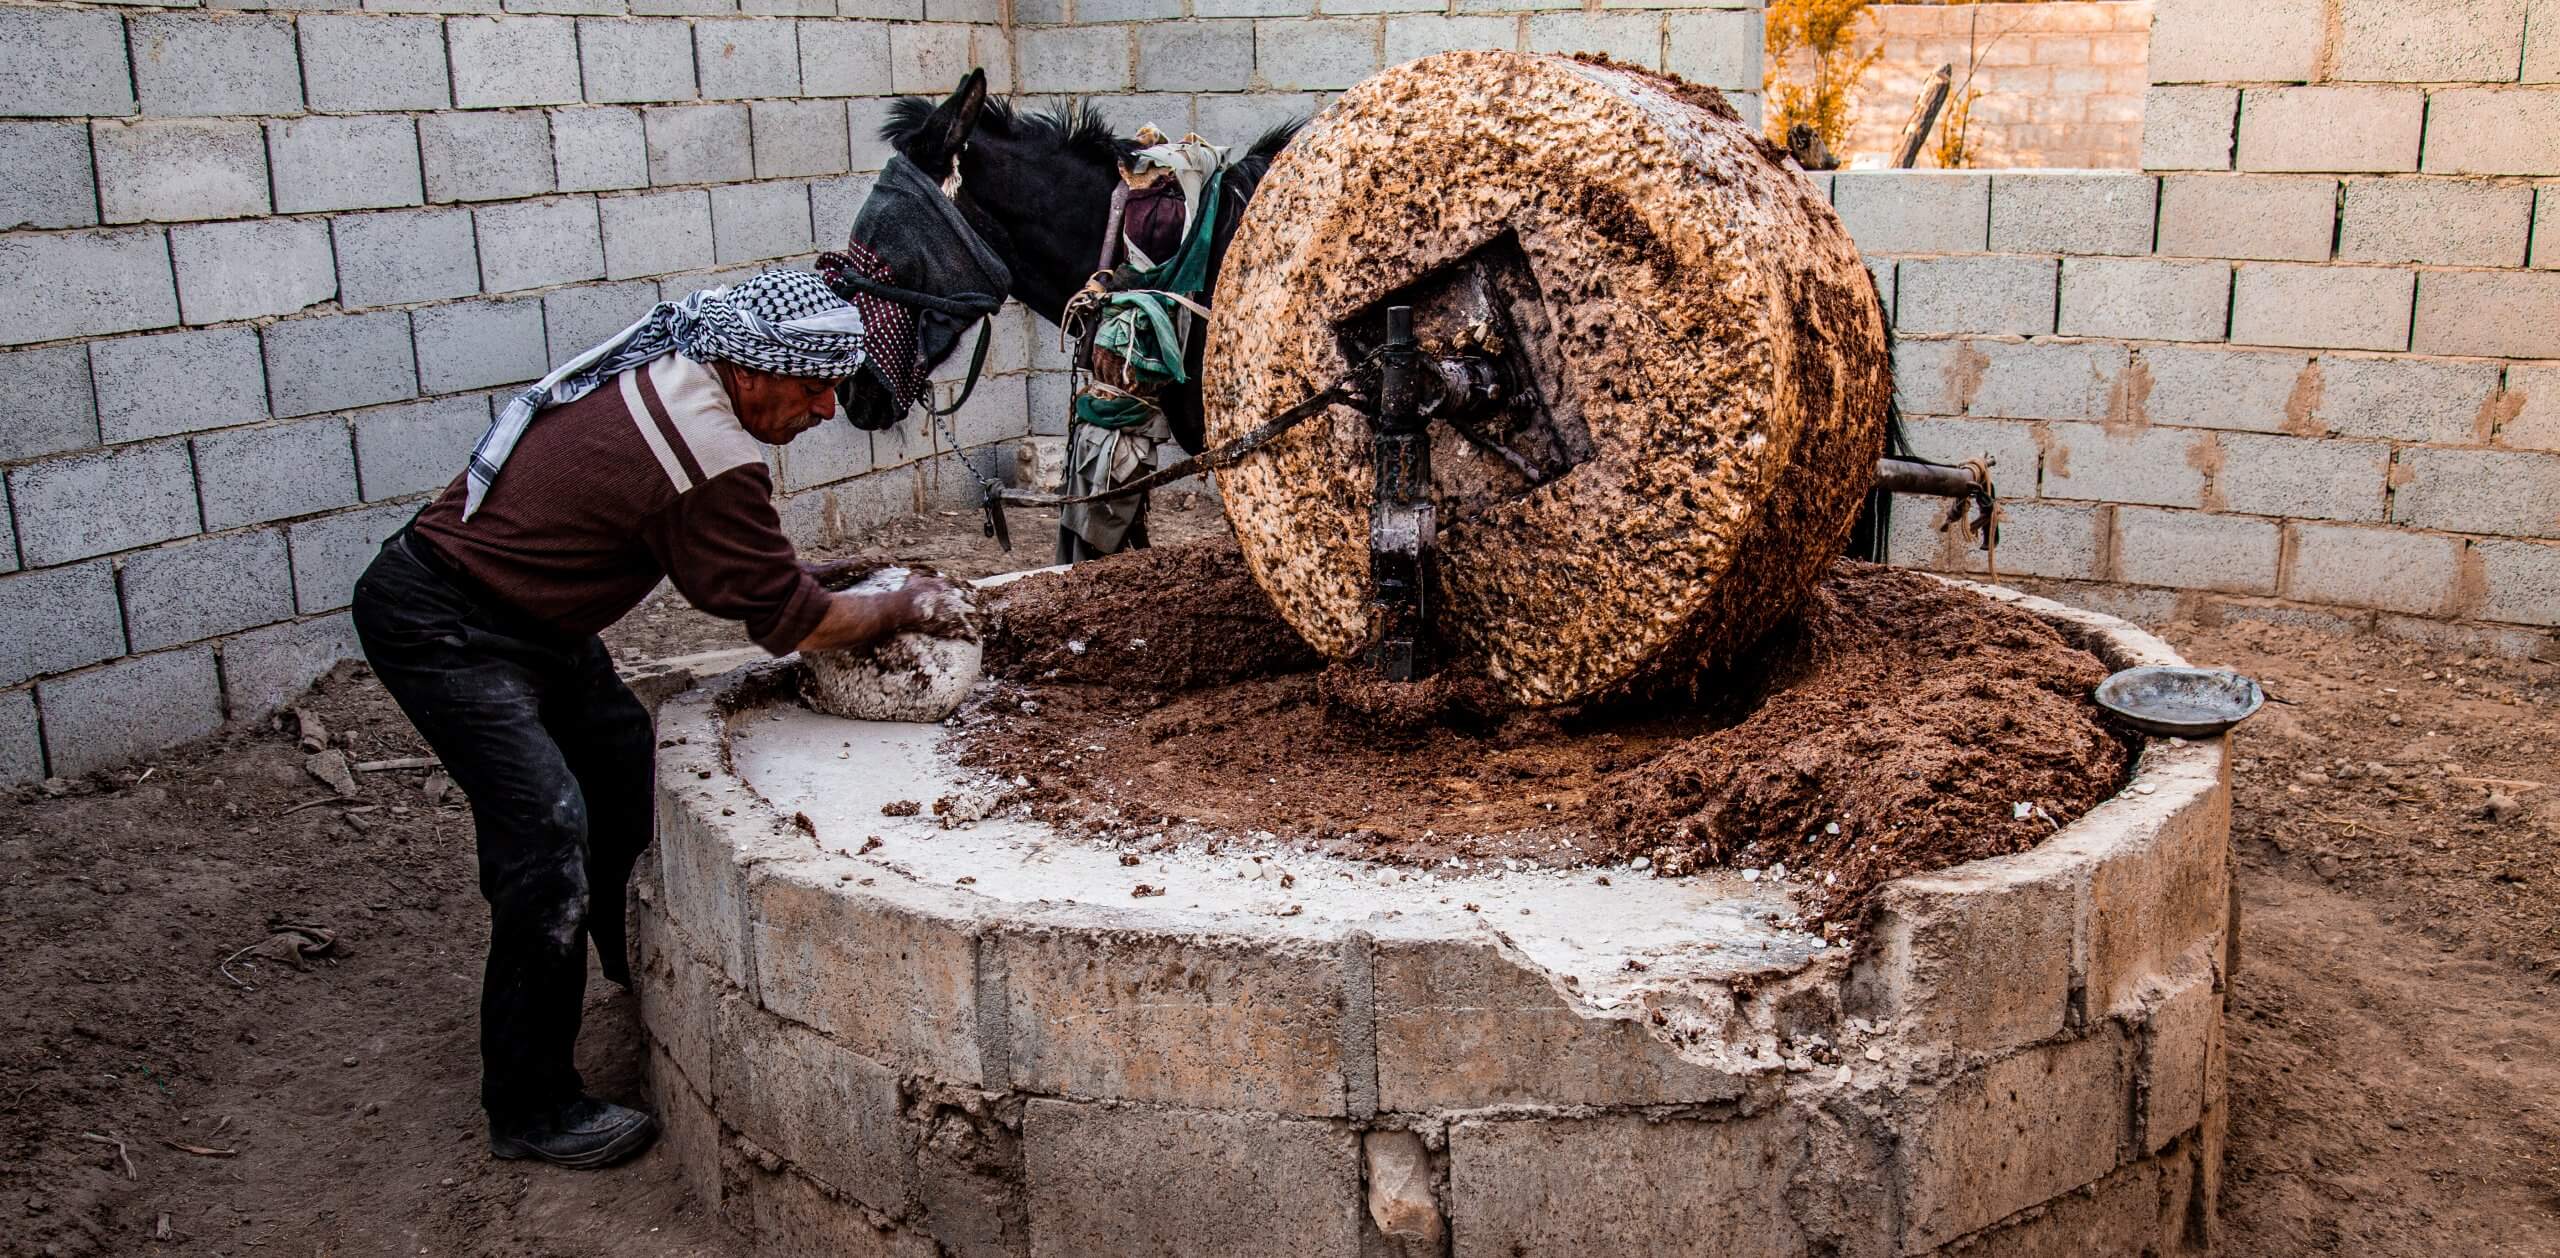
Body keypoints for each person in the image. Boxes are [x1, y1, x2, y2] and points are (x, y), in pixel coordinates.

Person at [350, 268, 948, 1169]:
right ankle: (530, 1104)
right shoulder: (706, 449)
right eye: (815, 386)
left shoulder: (682, 372)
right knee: (546, 839)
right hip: (451, 623)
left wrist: (819, 575)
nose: (827, 409)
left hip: (536, 617)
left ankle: (637, 971)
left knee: (626, 779)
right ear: (751, 370)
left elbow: (736, 567)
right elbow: (795, 626)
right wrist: (904, 607)